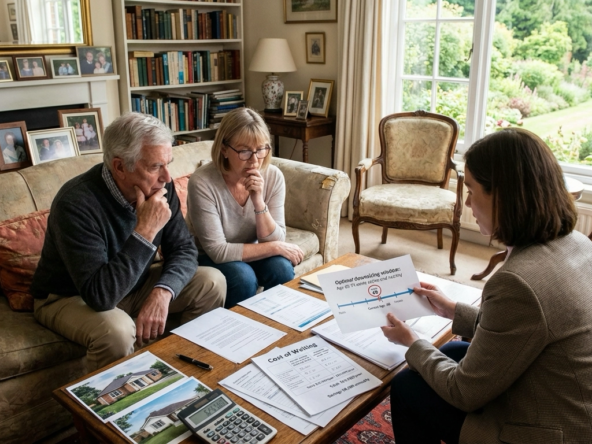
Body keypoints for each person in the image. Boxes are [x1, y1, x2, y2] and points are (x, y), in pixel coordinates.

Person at [381, 128, 592, 443]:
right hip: (569, 401)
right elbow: (528, 329)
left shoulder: (517, 281)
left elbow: (463, 392)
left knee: (407, 386)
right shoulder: (576, 242)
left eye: (471, 189)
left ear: (502, 195)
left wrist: (412, 342)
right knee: (453, 348)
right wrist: (454, 310)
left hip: (550, 430)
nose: (467, 203)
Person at [31, 112, 226, 371]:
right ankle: (111, 405)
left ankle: (179, 371)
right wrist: (145, 231)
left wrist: (163, 292)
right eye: (155, 166)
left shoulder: (161, 190)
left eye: (168, 163)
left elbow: (184, 249)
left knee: (212, 282)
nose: (167, 177)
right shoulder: (75, 204)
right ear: (120, 167)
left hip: (132, 284)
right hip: (69, 296)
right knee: (117, 331)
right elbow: (100, 296)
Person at [186, 107, 303, 308]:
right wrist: (275, 247)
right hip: (205, 256)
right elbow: (217, 251)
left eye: (261, 149)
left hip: (250, 250)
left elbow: (275, 237)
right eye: (245, 151)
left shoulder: (273, 176)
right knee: (243, 277)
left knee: (282, 268)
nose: (255, 160)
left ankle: (277, 325)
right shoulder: (202, 182)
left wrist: (258, 202)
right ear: (224, 149)